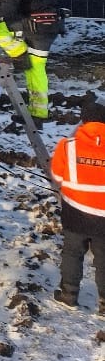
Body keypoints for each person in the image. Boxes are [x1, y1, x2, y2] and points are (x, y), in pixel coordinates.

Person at [50, 122, 105, 308]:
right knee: (104, 257)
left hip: (75, 212)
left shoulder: (68, 145)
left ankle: (68, 295)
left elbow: (57, 176)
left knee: (72, 253)